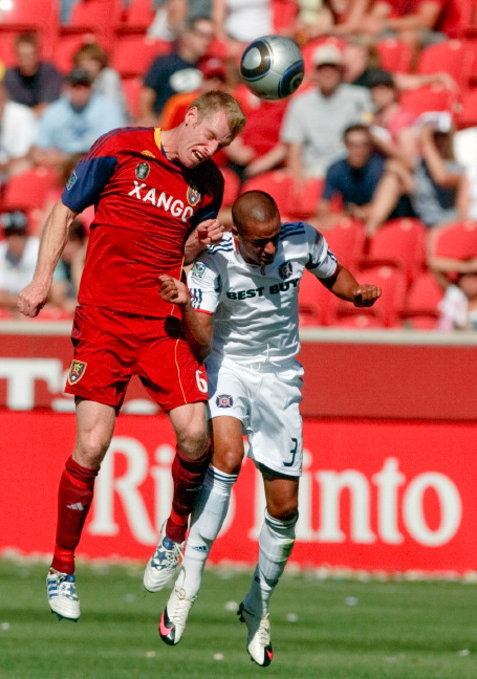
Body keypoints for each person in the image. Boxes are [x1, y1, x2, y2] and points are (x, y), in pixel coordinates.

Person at [17, 90, 246, 622]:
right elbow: (65, 208)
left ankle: (172, 535)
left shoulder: (209, 184)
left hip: (162, 323)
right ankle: (62, 568)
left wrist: (199, 244)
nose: (211, 149)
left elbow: (185, 252)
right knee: (92, 445)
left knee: (196, 434)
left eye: (223, 144)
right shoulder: (120, 148)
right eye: (209, 136)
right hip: (102, 319)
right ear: (188, 118)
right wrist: (41, 278)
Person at [154, 191, 381, 665]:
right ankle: (188, 583)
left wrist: (356, 292)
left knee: (285, 508)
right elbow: (200, 337)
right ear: (236, 235)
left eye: (274, 239)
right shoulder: (211, 264)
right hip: (230, 365)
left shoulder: (302, 241)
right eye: (260, 243)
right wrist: (189, 306)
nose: (271, 250)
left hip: (281, 376)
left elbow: (332, 271)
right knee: (228, 458)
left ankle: (258, 604)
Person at [280, 43, 373, 183]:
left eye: (332, 68)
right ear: (315, 72)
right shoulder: (300, 103)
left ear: (340, 71)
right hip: (313, 172)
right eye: (322, 68)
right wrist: (299, 183)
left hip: (351, 171)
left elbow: (368, 135)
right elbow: (294, 149)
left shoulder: (359, 97)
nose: (327, 73)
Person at [316, 123, 414, 232]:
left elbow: (377, 208)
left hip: (382, 222)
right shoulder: (336, 169)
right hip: (351, 218)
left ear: (370, 146)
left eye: (364, 145)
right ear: (345, 145)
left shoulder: (381, 167)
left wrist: (353, 213)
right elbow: (323, 205)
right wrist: (328, 217)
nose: (359, 150)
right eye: (353, 145)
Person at [32, 67, 126, 172]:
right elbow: (40, 150)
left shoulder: (108, 109)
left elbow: (113, 150)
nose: (80, 90)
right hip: (61, 167)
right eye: (75, 86)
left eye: (84, 85)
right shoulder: (54, 111)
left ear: (91, 88)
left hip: (96, 166)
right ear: (66, 88)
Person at [0, 211, 64, 313]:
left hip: (39, 310)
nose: (14, 239)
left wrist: (2, 299)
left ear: (26, 234)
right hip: (10, 310)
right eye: (9, 234)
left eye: (19, 234)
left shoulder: (39, 249)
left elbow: (55, 294)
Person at [139, 16, 215, 126]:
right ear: (187, 35)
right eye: (202, 35)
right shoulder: (164, 63)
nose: (207, 41)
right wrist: (149, 120)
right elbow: (146, 97)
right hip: (166, 125)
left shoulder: (212, 66)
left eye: (210, 37)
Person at [0, 82, 38, 179]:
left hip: (12, 168)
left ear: (4, 100)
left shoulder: (22, 115)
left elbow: (25, 155)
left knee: (20, 168)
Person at [3, 32, 63, 117]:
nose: (26, 59)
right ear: (15, 55)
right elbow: (9, 110)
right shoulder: (10, 76)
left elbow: (48, 108)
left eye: (30, 55)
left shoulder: (50, 72)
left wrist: (24, 117)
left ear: (38, 54)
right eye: (22, 55)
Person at [72, 42, 128, 121]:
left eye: (91, 62)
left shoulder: (109, 76)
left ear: (100, 62)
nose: (86, 66)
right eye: (82, 63)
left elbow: (112, 108)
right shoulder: (79, 81)